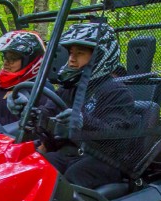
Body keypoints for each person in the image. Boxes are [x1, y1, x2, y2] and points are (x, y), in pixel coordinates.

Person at [40, 23, 139, 189]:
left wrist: (84, 120)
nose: (71, 58)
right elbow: (48, 113)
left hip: (106, 160)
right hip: (72, 153)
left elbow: (116, 137)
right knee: (39, 166)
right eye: (71, 53)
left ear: (100, 57)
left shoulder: (117, 92)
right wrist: (29, 111)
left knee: (75, 175)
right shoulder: (69, 87)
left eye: (80, 53)